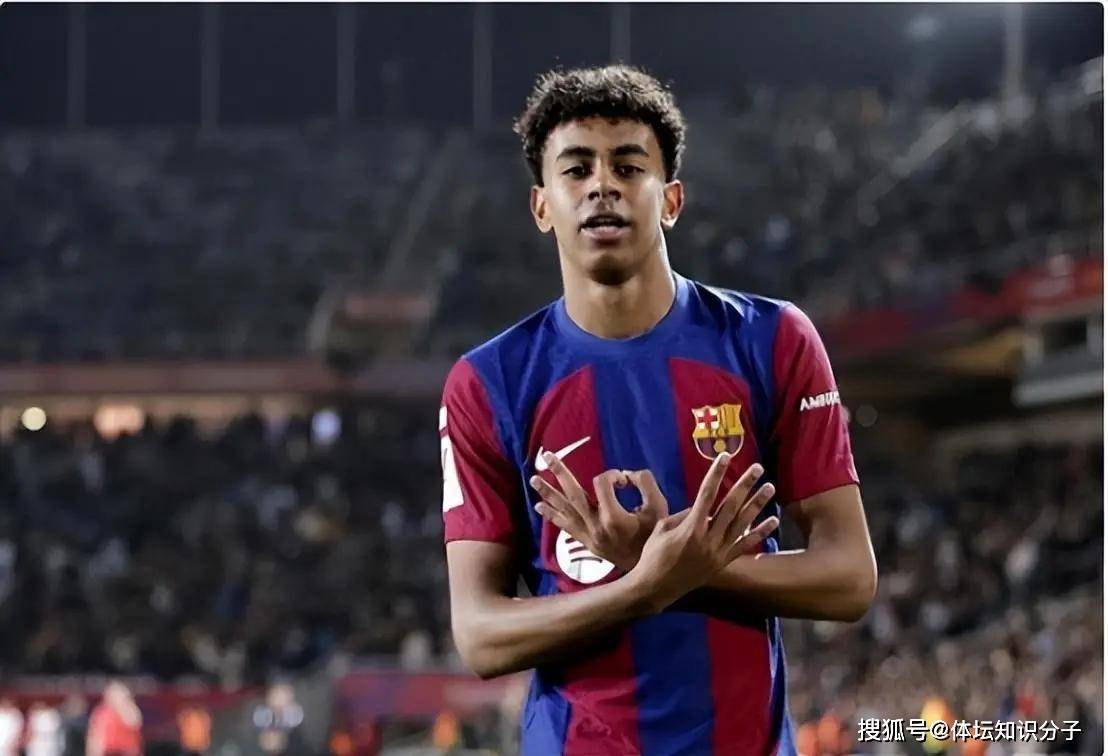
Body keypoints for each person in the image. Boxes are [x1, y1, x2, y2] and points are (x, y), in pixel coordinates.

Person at [441, 65, 878, 755]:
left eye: (628, 166)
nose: (602, 185)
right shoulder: (488, 383)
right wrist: (642, 588)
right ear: (542, 207)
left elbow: (850, 576)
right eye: (576, 169)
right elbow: (479, 635)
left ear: (671, 199)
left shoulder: (771, 340)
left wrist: (683, 570)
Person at [86, 681, 142, 756]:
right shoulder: (102, 714)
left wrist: (125, 707)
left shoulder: (130, 710)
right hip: (111, 752)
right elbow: (96, 739)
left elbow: (135, 723)